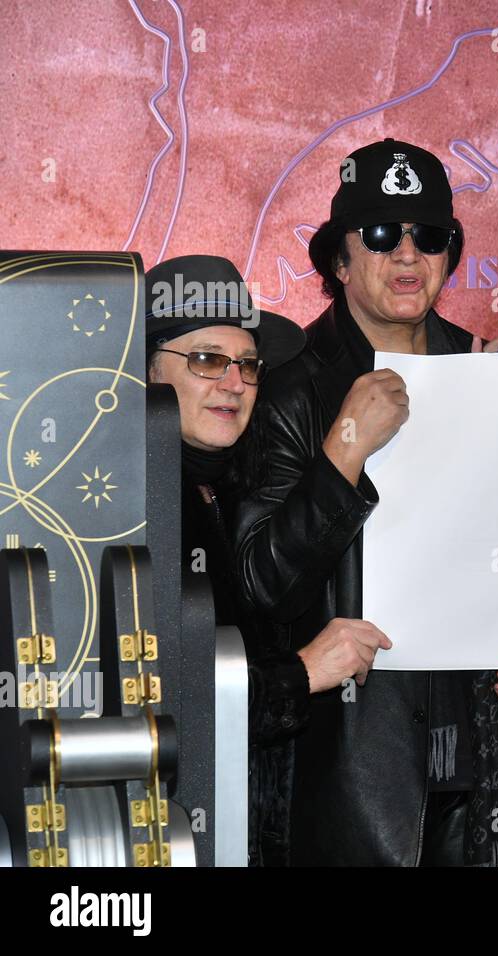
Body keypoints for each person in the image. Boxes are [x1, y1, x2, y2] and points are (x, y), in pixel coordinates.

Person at [233, 139, 498, 866]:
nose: (408, 254)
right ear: (340, 262)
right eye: (382, 235)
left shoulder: (497, 374)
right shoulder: (293, 389)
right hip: (352, 767)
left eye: (430, 236)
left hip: (482, 759)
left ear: (450, 256)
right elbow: (261, 585)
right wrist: (344, 447)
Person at [145, 254, 388, 866]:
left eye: (248, 364)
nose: (235, 382)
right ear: (144, 367)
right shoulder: (124, 505)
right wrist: (303, 673)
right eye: (206, 360)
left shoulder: (241, 488)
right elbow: (159, 712)